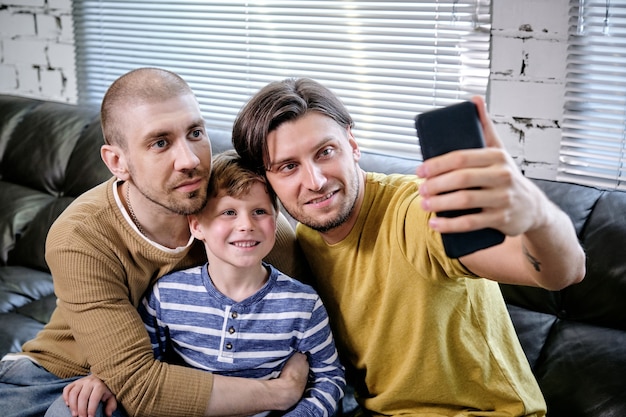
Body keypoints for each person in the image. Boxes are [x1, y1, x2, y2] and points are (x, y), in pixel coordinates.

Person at [231, 77, 587, 416]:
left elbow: (564, 273)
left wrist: (538, 215)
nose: (316, 181)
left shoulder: (416, 213)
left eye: (325, 152)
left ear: (352, 145)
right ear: (268, 181)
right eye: (288, 167)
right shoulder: (305, 239)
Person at [0, 68, 310, 417]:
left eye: (195, 133)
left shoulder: (242, 214)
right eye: (160, 142)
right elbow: (141, 386)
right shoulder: (80, 236)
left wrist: (127, 377)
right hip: (51, 377)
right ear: (117, 162)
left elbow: (304, 324)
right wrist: (279, 393)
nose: (190, 160)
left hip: (163, 376)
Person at [137, 149, 345, 417]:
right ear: (197, 225)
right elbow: (141, 369)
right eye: (229, 212)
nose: (246, 225)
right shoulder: (166, 296)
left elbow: (330, 378)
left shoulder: (303, 305)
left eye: (259, 211)